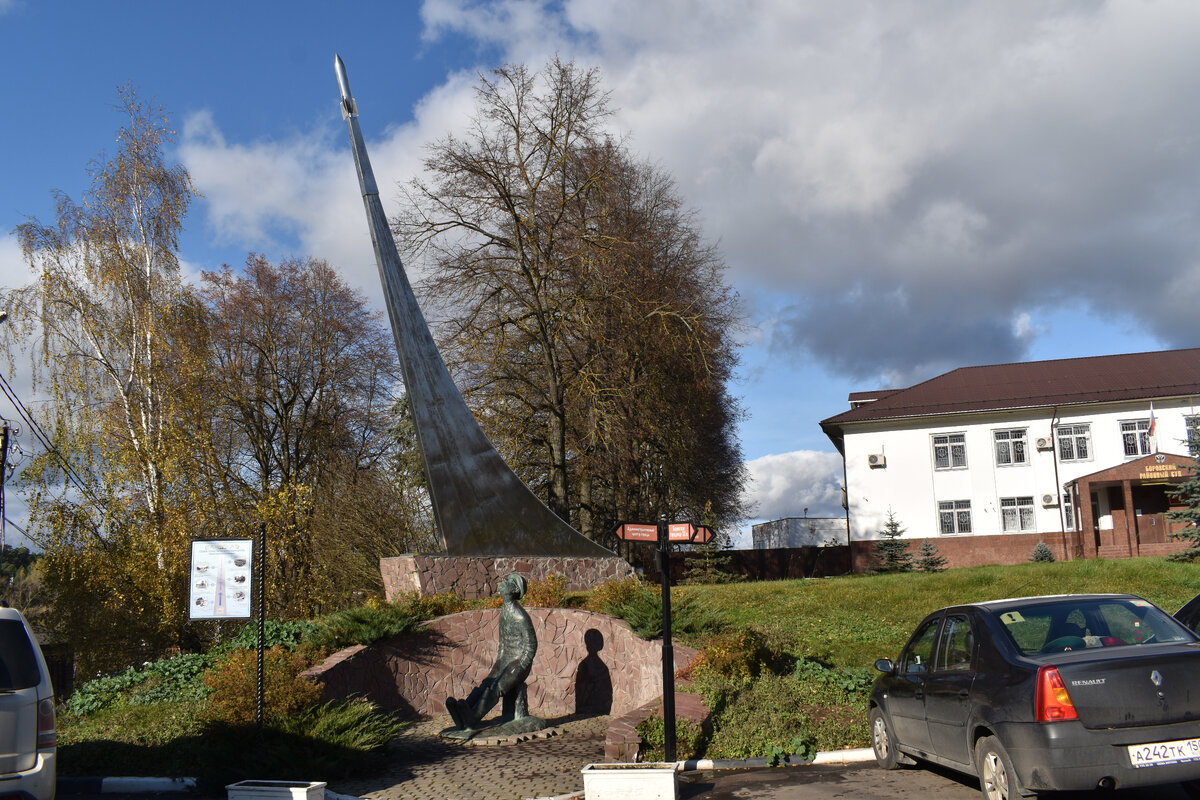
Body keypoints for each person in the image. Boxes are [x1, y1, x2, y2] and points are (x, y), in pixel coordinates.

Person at [446, 573, 537, 731]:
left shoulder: (519, 615)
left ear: (515, 589)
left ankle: (472, 718)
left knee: (497, 687)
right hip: (505, 660)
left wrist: (521, 664)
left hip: (519, 663)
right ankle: (464, 710)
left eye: (508, 581)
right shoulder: (505, 611)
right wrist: (499, 662)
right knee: (487, 683)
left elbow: (531, 644)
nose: (503, 582)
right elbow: (503, 645)